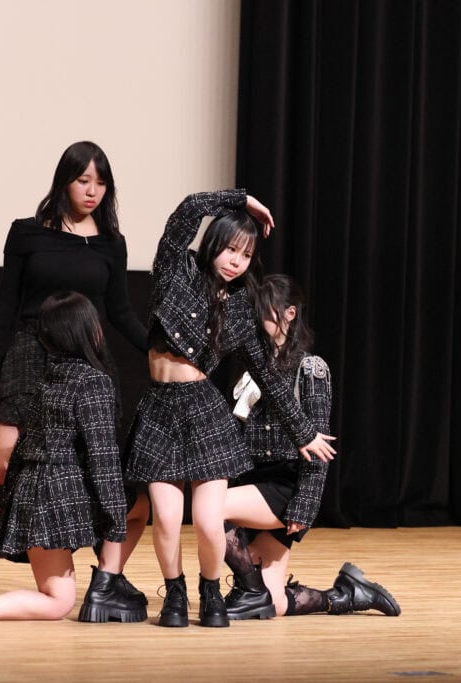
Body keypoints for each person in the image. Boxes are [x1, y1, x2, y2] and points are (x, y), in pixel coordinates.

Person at [0, 141, 149, 620]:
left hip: (84, 359)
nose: (92, 190)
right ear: (64, 181)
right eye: (83, 180)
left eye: (100, 182)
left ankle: (104, 575)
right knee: (3, 463)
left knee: (88, 462)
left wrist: (160, 349)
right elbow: (6, 303)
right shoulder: (27, 232)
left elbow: (120, 311)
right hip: (28, 353)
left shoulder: (111, 242)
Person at [124, 190, 337, 628]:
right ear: (213, 244)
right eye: (230, 250)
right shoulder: (177, 271)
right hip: (161, 410)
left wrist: (304, 432)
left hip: (204, 411)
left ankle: (210, 590)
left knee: (207, 519)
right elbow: (185, 213)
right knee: (167, 518)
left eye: (246, 255)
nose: (236, 262)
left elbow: (268, 377)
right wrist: (242, 201)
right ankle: (175, 593)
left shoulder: (239, 306)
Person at [0, 292, 143, 622]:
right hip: (63, 500)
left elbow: (23, 449)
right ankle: (105, 585)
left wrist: (11, 504)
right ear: (90, 332)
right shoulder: (95, 382)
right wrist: (113, 521)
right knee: (140, 508)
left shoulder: (46, 381)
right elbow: (103, 461)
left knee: (57, 600)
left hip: (32, 500)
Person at [221, 274, 401, 619]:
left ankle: (249, 589)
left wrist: (305, 506)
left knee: (211, 508)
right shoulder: (252, 368)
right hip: (251, 484)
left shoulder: (310, 368)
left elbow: (320, 446)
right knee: (273, 604)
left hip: (283, 487)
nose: (260, 319)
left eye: (267, 311)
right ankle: (346, 595)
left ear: (289, 313)